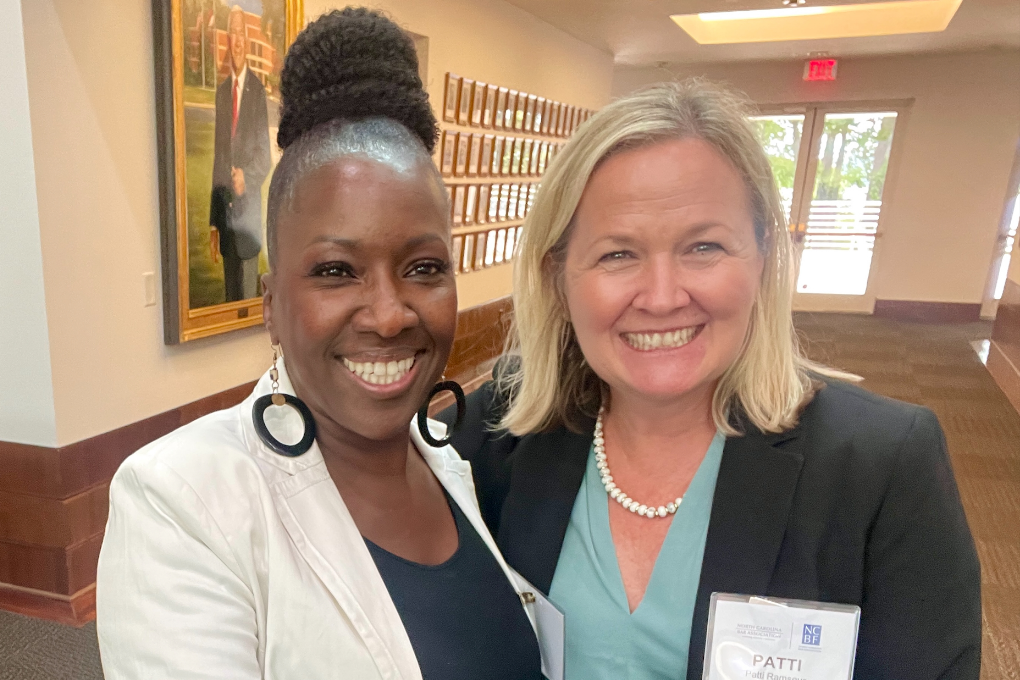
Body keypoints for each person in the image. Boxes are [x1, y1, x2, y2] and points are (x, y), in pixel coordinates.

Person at [440, 80, 981, 679]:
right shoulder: (496, 432)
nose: (664, 296)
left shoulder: (880, 466)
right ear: (559, 277)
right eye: (618, 254)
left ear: (762, 256)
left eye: (704, 246)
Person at [97, 9, 542, 679]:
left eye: (424, 268)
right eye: (336, 271)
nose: (390, 316)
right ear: (272, 306)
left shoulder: (454, 466)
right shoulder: (183, 502)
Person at [209, 4, 272, 302]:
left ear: (247, 41)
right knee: (228, 304)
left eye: (241, 33)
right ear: (227, 39)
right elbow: (218, 158)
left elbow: (265, 158)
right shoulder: (222, 93)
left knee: (247, 308)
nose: (236, 40)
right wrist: (213, 221)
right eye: (232, 32)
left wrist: (248, 177)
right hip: (226, 219)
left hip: (247, 223)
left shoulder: (258, 93)